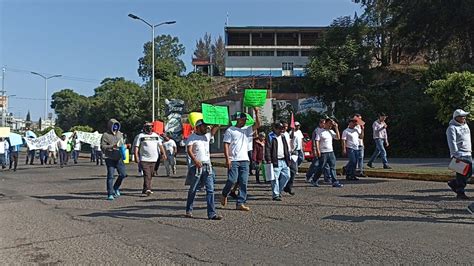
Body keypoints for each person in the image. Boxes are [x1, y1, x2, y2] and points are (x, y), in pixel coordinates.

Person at [221, 108, 260, 211]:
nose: (244, 122)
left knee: (243, 182)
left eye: (245, 120)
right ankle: (224, 194)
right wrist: (227, 159)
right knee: (232, 180)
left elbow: (258, 125)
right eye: (242, 120)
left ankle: (240, 203)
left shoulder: (246, 129)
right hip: (233, 159)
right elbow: (226, 145)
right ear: (238, 120)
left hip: (244, 160)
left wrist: (256, 112)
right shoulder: (230, 130)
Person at [185, 119, 222, 220]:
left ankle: (212, 214)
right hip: (196, 167)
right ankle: (189, 210)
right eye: (204, 126)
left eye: (206, 126)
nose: (206, 128)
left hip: (207, 166)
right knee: (193, 189)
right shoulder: (192, 137)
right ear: (198, 127)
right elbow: (189, 150)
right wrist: (195, 161)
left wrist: (218, 119)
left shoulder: (207, 136)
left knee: (210, 190)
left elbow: (215, 128)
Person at [134, 122, 167, 196]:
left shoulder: (156, 136)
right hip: (144, 159)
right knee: (147, 174)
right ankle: (148, 189)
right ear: (144, 128)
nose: (149, 128)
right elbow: (136, 147)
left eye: (150, 126)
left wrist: (164, 154)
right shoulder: (140, 136)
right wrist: (136, 156)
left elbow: (160, 146)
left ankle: (145, 188)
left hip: (154, 159)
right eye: (147, 127)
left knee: (151, 174)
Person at [446, 109, 471, 200]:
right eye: (462, 116)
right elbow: (452, 142)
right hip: (460, 153)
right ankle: (460, 192)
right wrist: (455, 154)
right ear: (456, 118)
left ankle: (454, 183)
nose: (464, 118)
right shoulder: (452, 128)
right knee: (461, 174)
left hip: (468, 152)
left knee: (469, 171)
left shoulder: (465, 125)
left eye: (464, 116)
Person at [310, 118, 343, 187]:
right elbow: (317, 141)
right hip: (323, 152)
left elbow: (338, 137)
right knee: (321, 167)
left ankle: (335, 181)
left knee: (333, 167)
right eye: (330, 124)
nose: (331, 125)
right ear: (326, 123)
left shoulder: (331, 131)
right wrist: (318, 150)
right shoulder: (319, 131)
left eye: (332, 124)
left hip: (330, 152)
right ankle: (314, 180)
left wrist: (336, 128)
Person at [101, 118, 127, 200]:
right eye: (113, 125)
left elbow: (122, 143)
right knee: (110, 176)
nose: (115, 127)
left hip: (119, 157)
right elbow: (102, 147)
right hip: (109, 158)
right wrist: (112, 146)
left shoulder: (120, 134)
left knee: (123, 174)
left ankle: (116, 187)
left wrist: (125, 146)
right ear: (110, 126)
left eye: (117, 125)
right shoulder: (105, 135)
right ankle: (110, 193)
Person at [265, 122, 291, 201]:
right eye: (280, 129)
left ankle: (278, 190)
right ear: (275, 129)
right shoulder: (270, 136)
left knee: (287, 176)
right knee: (275, 178)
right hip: (275, 160)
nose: (281, 130)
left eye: (282, 129)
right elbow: (268, 149)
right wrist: (268, 159)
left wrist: (288, 158)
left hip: (284, 160)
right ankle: (275, 194)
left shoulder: (283, 136)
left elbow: (286, 147)